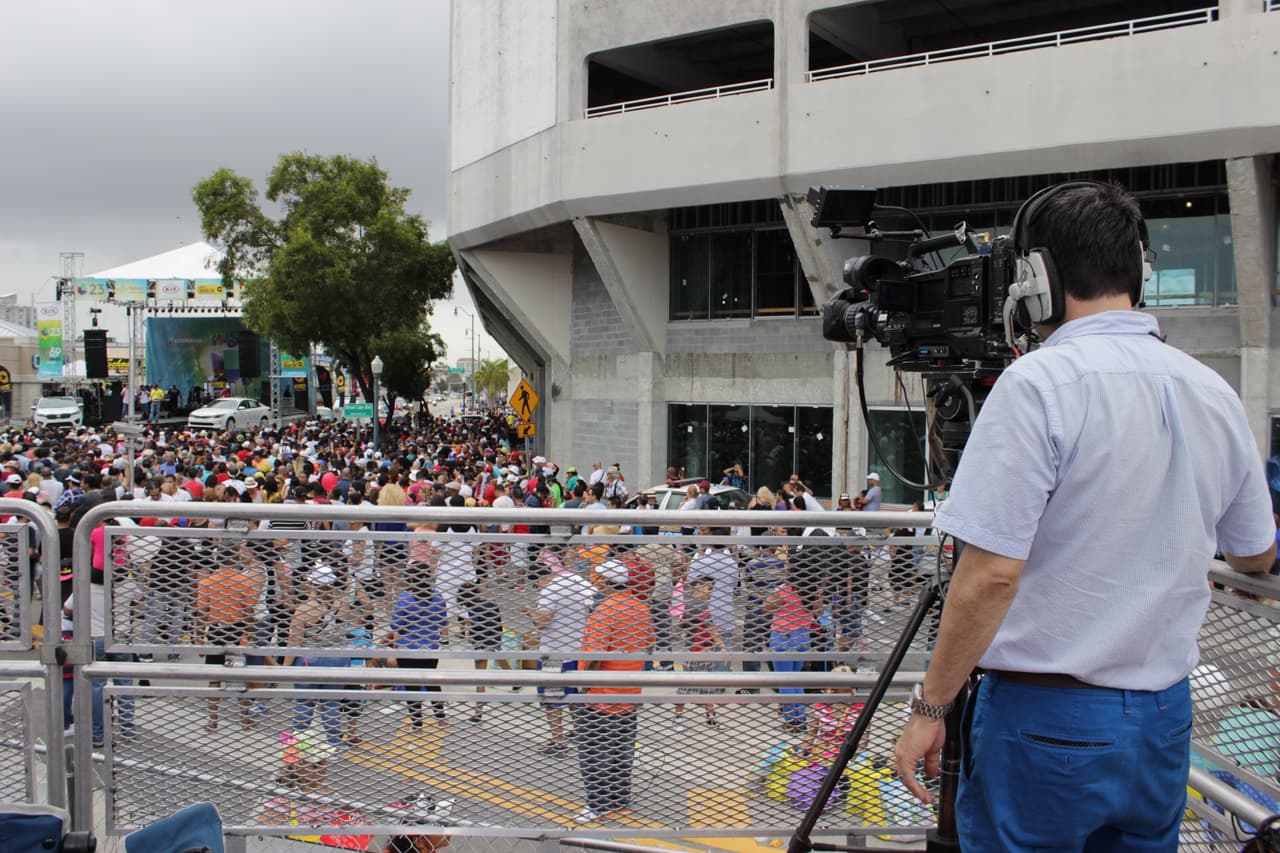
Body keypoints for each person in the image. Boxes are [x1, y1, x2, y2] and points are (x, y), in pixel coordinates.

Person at [892, 181, 1277, 851]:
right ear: (1139, 274)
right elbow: (1255, 553)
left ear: (1037, 280)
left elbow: (990, 576)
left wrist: (931, 706)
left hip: (1045, 720)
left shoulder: (1038, 384)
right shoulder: (1213, 389)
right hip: (1164, 718)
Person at [574, 558, 655, 824]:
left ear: (603, 581)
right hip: (629, 692)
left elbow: (596, 652)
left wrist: (585, 683)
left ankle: (597, 805)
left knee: (594, 751)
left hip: (600, 694)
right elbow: (648, 643)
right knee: (622, 749)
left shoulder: (605, 610)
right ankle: (620, 800)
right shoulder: (641, 607)